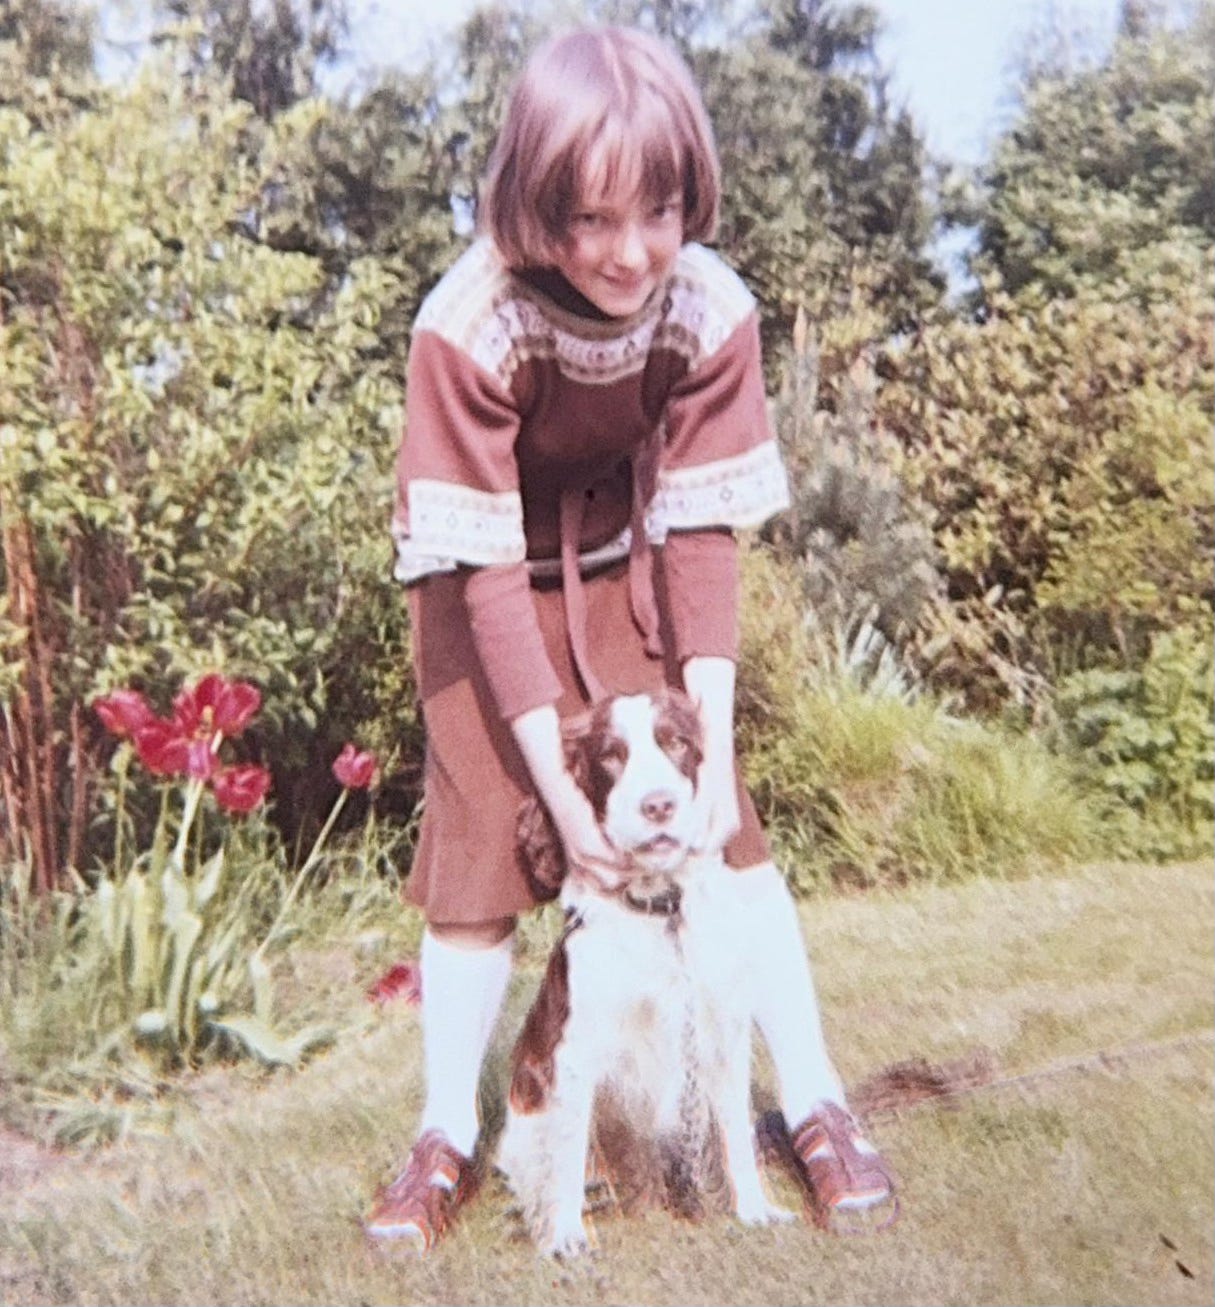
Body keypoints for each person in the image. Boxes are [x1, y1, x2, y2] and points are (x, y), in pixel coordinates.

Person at [364, 24, 897, 1253]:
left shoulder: (711, 308)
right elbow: (491, 574)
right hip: (482, 577)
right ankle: (449, 1128)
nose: (630, 251)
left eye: (656, 212)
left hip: (632, 556)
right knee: (483, 840)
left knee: (730, 829)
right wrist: (559, 788)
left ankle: (813, 1097)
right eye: (591, 220)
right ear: (534, 205)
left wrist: (705, 755)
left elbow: (707, 535)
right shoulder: (468, 320)